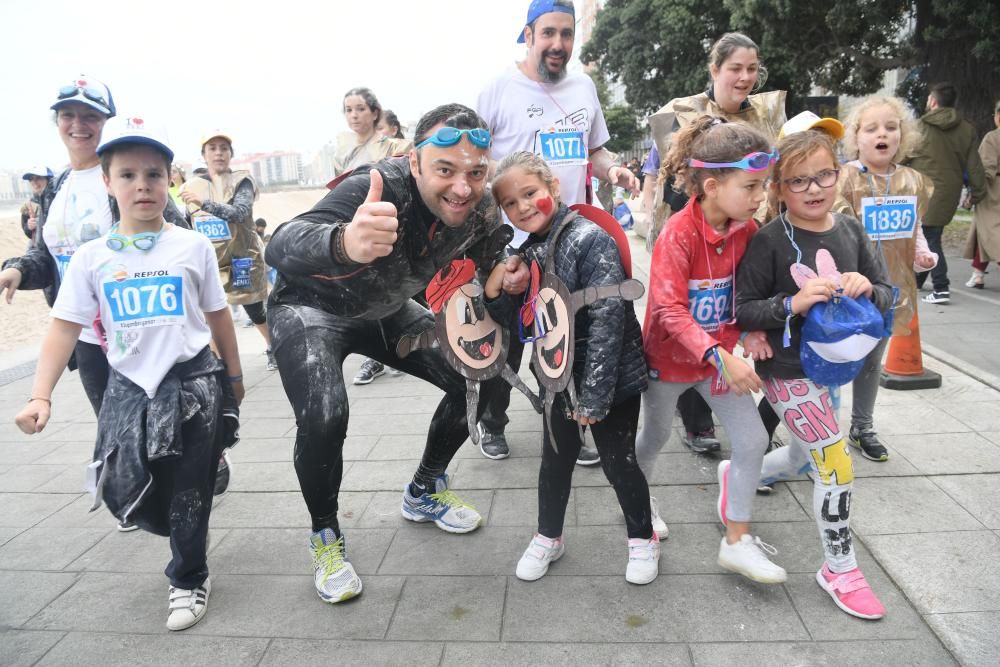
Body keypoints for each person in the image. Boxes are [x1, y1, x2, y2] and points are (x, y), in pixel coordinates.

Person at [264, 103, 523, 604]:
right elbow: (281, 243)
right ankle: (325, 535)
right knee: (324, 413)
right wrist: (344, 242)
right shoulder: (377, 187)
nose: (462, 188)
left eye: (475, 172)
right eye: (445, 170)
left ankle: (424, 490)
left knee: (479, 376)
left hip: (385, 310)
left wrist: (505, 279)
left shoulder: (483, 209)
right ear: (416, 161)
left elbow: (490, 270)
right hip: (310, 307)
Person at [13, 117, 243, 631]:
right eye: (129, 175)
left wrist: (233, 377)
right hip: (129, 390)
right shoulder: (92, 259)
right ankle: (187, 516)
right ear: (108, 183)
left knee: (189, 489)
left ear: (170, 182)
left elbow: (218, 316)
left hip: (193, 383)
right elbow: (63, 328)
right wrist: (40, 395)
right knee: (126, 488)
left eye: (155, 175)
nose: (143, 185)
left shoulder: (192, 247)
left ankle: (188, 577)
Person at [733, 129, 895, 620]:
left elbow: (889, 293)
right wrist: (792, 303)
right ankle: (840, 569)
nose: (813, 188)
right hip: (786, 371)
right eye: (798, 180)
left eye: (823, 174)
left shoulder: (852, 231)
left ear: (839, 173)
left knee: (806, 458)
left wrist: (868, 288)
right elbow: (743, 309)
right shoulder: (768, 242)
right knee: (835, 463)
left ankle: (741, 473)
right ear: (779, 188)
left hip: (834, 369)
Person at [475, 0, 638, 464]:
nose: (558, 44)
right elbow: (476, 162)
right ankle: (493, 421)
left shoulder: (583, 87)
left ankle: (570, 421)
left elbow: (597, 152)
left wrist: (614, 173)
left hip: (570, 237)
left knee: (568, 330)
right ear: (527, 35)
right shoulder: (497, 90)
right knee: (504, 337)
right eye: (548, 34)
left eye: (566, 34)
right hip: (511, 240)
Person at [486, 151, 657, 583]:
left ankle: (642, 537)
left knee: (619, 462)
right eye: (510, 203)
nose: (522, 207)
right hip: (557, 376)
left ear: (553, 188)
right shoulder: (524, 249)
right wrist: (510, 286)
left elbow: (609, 317)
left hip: (610, 376)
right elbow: (525, 318)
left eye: (530, 194)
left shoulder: (589, 238)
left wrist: (596, 394)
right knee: (554, 459)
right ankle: (549, 536)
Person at [632, 117, 784, 580]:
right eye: (752, 186)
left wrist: (752, 331)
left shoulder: (748, 231)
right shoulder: (677, 234)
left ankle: (737, 539)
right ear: (713, 185)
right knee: (653, 438)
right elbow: (669, 312)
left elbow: (748, 294)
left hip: (717, 361)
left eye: (764, 186)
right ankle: (637, 505)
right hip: (669, 363)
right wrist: (722, 355)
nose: (761, 197)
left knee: (755, 439)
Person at [645, 32, 787, 457]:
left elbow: (744, 296)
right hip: (687, 232)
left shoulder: (765, 117)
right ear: (715, 70)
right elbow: (660, 171)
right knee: (684, 324)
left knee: (720, 308)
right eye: (735, 68)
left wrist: (753, 329)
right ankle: (695, 422)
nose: (745, 77)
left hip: (735, 234)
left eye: (752, 68)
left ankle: (736, 506)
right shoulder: (680, 114)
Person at [832, 100, 938, 461]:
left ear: (902, 136)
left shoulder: (912, 180)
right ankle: (822, 428)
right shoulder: (844, 177)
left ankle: (862, 426)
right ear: (856, 137)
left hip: (891, 288)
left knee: (873, 361)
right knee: (832, 356)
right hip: (848, 288)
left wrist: (923, 253)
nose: (882, 134)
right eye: (871, 128)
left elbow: (915, 226)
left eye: (891, 127)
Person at [331, 87, 413, 385]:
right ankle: (378, 356)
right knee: (365, 295)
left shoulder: (390, 146)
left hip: (387, 227)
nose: (354, 115)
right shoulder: (341, 148)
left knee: (386, 292)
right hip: (353, 229)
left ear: (374, 112)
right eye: (349, 109)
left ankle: (390, 353)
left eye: (360, 108)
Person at [180, 130, 274, 371]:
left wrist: (204, 203)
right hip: (209, 262)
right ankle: (216, 360)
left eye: (224, 148)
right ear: (204, 155)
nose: (219, 153)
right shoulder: (192, 185)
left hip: (242, 259)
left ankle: (274, 347)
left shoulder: (242, 181)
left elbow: (239, 213)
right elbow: (186, 222)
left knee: (255, 311)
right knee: (206, 314)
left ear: (231, 154)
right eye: (213, 148)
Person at [906, 82, 987, 304]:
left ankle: (941, 287)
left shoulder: (919, 127)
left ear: (933, 101)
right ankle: (918, 279)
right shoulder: (967, 130)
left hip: (921, 190)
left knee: (929, 238)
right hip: (949, 193)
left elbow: (904, 156)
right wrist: (977, 193)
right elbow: (975, 167)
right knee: (929, 235)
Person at [964, 100, 1000, 288]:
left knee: (991, 233)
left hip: (993, 192)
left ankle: (978, 274)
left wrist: (974, 193)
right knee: (982, 230)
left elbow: (985, 170)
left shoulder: (993, 138)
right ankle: (978, 273)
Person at [19, 166, 53, 244]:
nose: (34, 182)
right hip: (40, 248)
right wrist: (29, 227)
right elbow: (27, 232)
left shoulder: (60, 199)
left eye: (38, 178)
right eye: (31, 179)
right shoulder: (28, 205)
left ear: (49, 179)